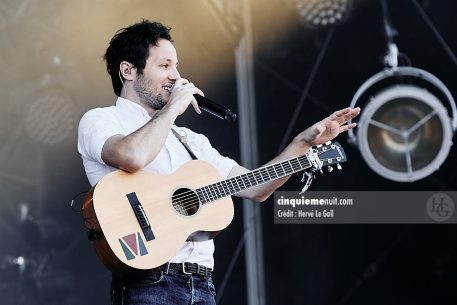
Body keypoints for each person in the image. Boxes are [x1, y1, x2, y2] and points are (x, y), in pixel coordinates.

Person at [77, 20, 360, 305]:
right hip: (148, 282)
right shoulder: (101, 120)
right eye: (164, 66)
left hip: (202, 285)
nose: (176, 77)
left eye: (176, 66)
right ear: (128, 70)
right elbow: (133, 156)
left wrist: (303, 144)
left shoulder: (189, 139)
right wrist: (175, 107)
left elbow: (255, 187)